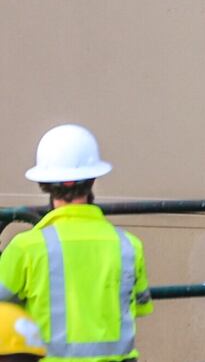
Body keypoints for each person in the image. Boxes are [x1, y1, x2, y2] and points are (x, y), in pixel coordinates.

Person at [0, 125, 152, 362]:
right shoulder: (129, 246)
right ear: (92, 179)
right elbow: (140, 307)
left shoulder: (26, 247)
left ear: (45, 184)